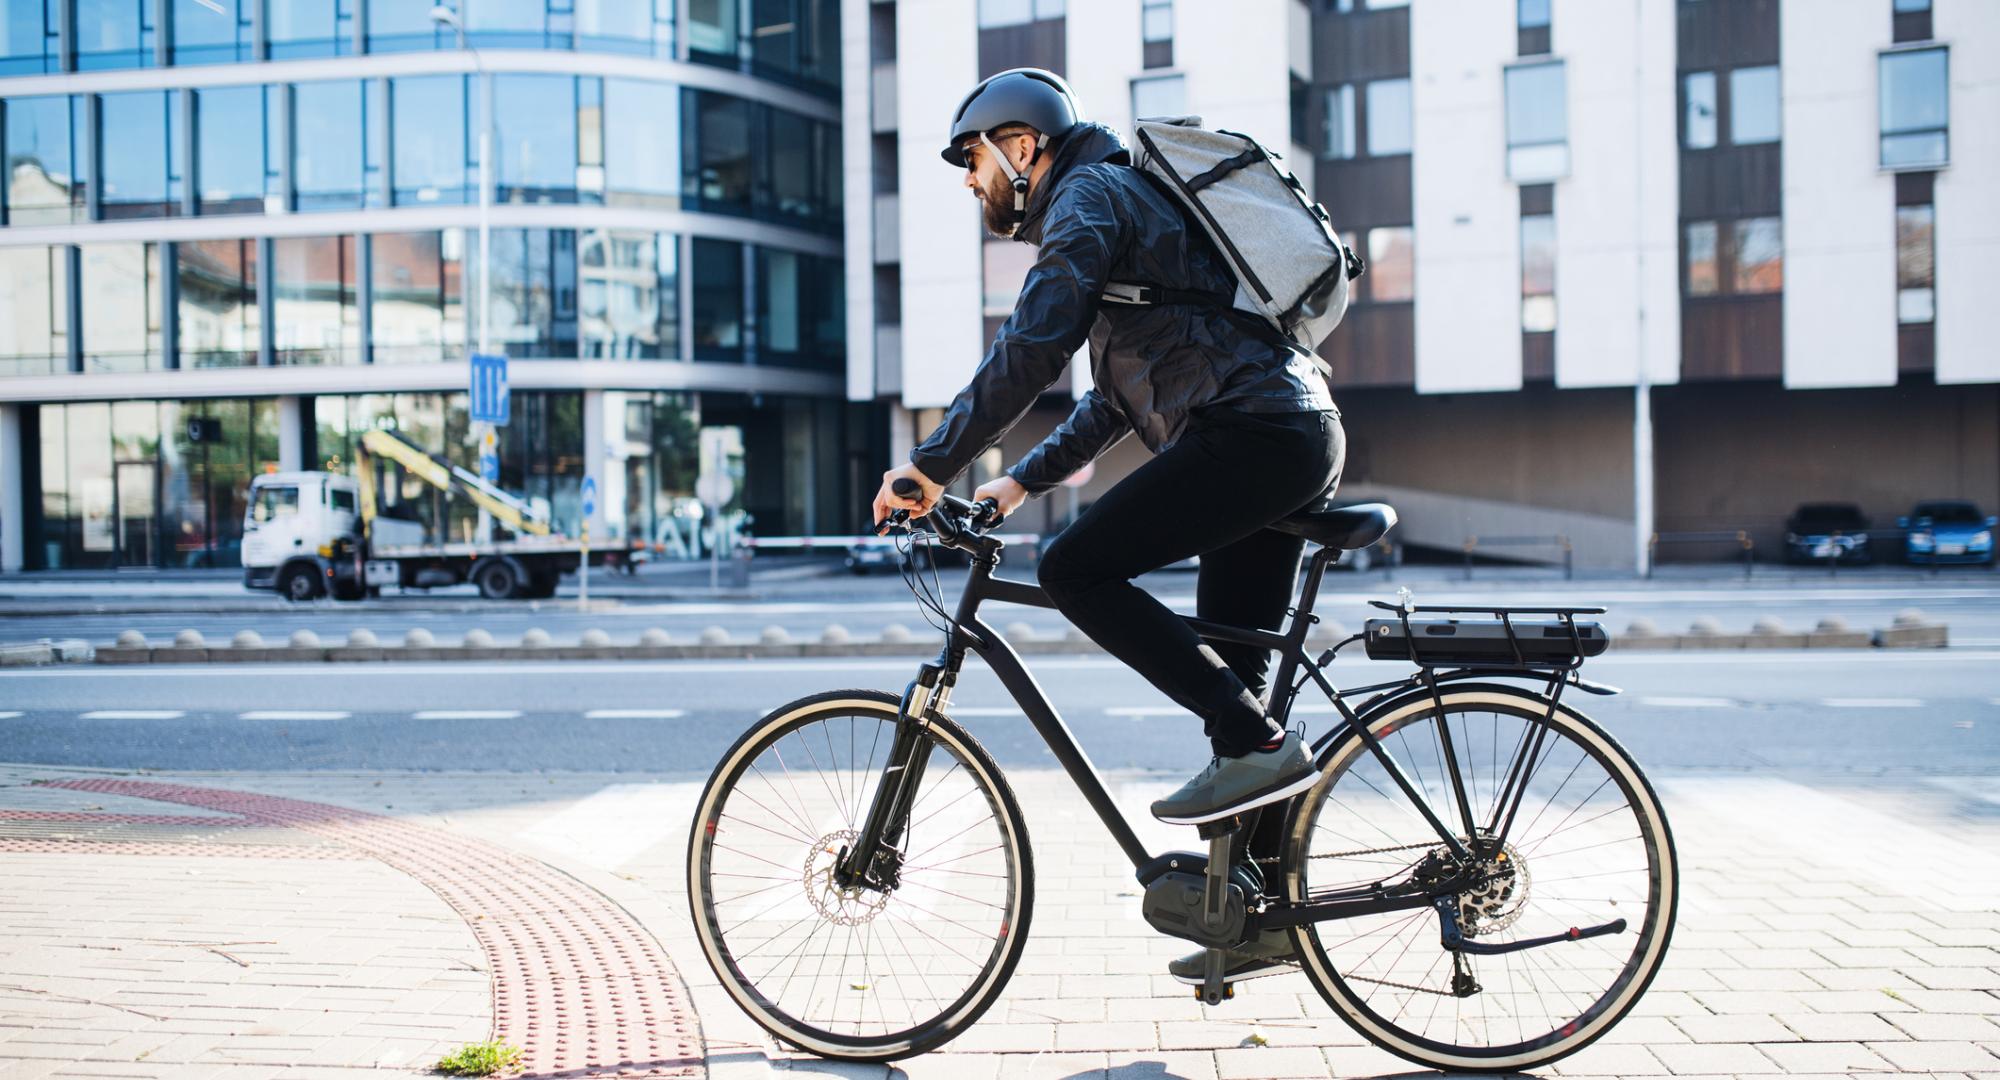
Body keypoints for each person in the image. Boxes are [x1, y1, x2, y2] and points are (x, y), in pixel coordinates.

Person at [871, 68, 1347, 981]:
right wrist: (1012, 484)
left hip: (1254, 433)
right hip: (1282, 431)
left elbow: (1034, 341)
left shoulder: (1088, 197)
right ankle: (1259, 918)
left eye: (973, 159)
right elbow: (1116, 397)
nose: (971, 181)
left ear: (1021, 146)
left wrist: (931, 464)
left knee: (1074, 570)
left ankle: (1259, 749)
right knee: (1236, 686)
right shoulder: (1120, 202)